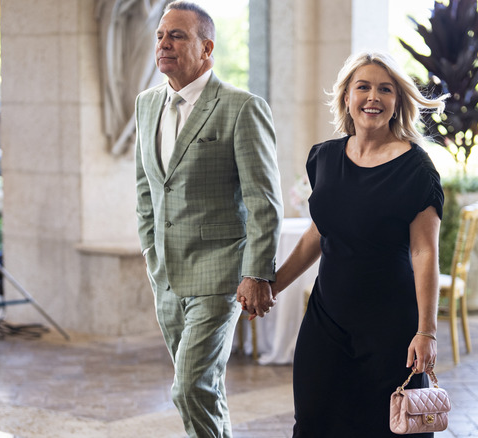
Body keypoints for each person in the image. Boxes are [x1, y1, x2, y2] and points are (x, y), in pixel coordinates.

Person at [269, 52, 448, 437]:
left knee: (384, 429)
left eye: (385, 89)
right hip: (327, 320)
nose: (373, 97)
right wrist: (274, 285)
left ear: (398, 100)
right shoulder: (325, 158)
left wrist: (427, 332)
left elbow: (425, 253)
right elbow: (319, 233)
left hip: (391, 328)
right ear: (346, 97)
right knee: (314, 422)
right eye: (362, 87)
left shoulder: (417, 169)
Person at [134, 2, 283, 437]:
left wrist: (257, 272)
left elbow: (263, 199)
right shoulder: (146, 105)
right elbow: (146, 188)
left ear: (206, 47)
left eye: (177, 36)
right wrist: (149, 250)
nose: (164, 44)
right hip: (165, 274)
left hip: (220, 275)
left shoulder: (241, 107)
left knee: (189, 388)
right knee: (207, 387)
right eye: (161, 35)